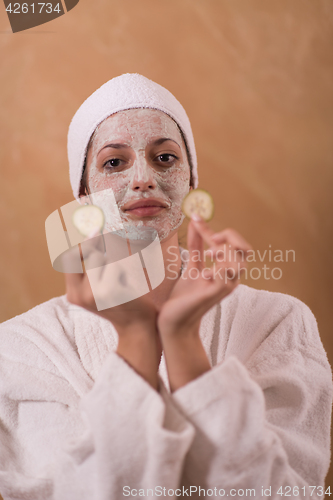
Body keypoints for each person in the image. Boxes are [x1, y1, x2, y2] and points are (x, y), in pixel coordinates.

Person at [0, 73, 331, 500]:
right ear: (83, 195)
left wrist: (182, 340)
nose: (143, 178)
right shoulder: (22, 347)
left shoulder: (278, 322)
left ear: (192, 179)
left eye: (165, 158)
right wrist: (137, 339)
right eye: (114, 162)